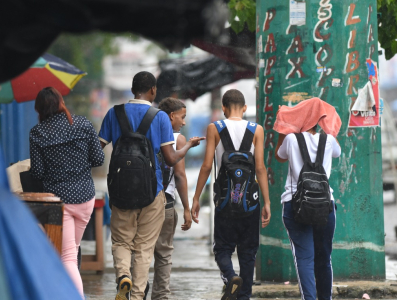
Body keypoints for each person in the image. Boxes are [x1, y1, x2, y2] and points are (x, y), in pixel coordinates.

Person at [98, 71, 203, 300]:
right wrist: (187, 148)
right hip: (152, 191)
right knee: (145, 248)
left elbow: (97, 151)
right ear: (153, 90)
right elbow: (170, 159)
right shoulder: (160, 117)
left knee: (121, 241)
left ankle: (123, 275)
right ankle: (136, 296)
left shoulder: (113, 113)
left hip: (120, 191)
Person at [192, 89, 271, 300]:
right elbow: (261, 168)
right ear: (244, 108)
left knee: (222, 250)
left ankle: (230, 276)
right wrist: (267, 202)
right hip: (250, 203)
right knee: (248, 253)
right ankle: (243, 296)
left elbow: (207, 166)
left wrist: (196, 197)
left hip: (225, 202)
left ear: (223, 109)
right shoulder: (257, 130)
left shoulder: (214, 128)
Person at [29, 87, 105, 298]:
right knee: (72, 251)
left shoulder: (38, 133)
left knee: (68, 256)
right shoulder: (82, 124)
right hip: (85, 198)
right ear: (61, 102)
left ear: (40, 109)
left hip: (58, 202)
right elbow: (99, 159)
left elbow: (37, 172)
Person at [274, 121, 341, 300]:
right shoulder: (329, 140)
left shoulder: (290, 139)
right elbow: (338, 152)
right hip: (325, 206)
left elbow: (279, 156)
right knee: (324, 259)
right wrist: (329, 128)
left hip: (295, 205)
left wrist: (283, 127)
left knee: (304, 258)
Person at [145, 97, 192, 300]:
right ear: (171, 116)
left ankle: (137, 288)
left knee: (141, 250)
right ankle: (160, 296)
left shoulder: (148, 132)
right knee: (163, 254)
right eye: (182, 117)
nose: (183, 122)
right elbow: (180, 176)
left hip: (144, 201)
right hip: (166, 203)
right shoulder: (177, 138)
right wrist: (188, 209)